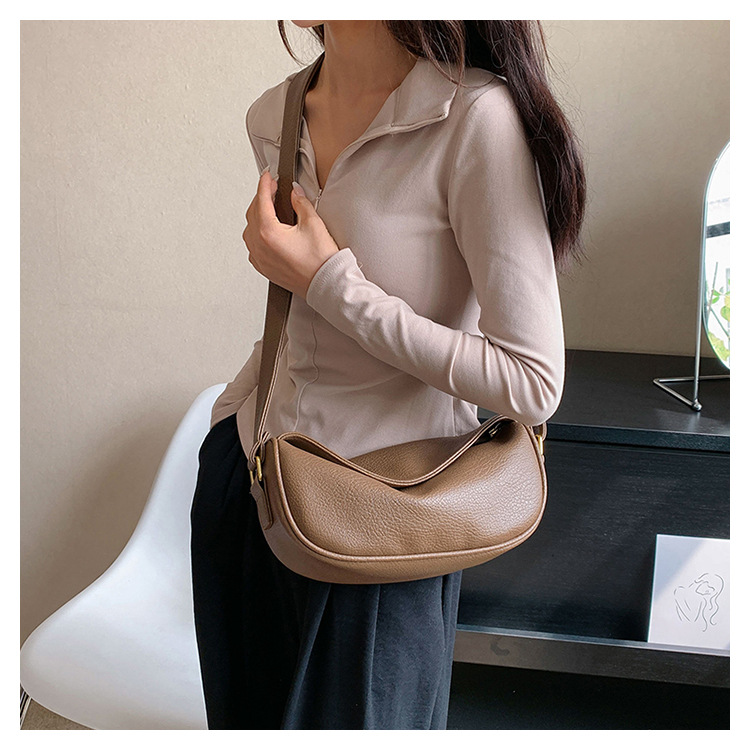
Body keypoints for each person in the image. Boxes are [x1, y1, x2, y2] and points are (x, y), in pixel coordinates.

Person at [190, 20, 586, 730]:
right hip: (255, 493)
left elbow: (532, 381)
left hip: (385, 524)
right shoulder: (274, 114)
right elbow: (297, 324)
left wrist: (329, 283)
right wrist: (228, 426)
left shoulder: (474, 118)